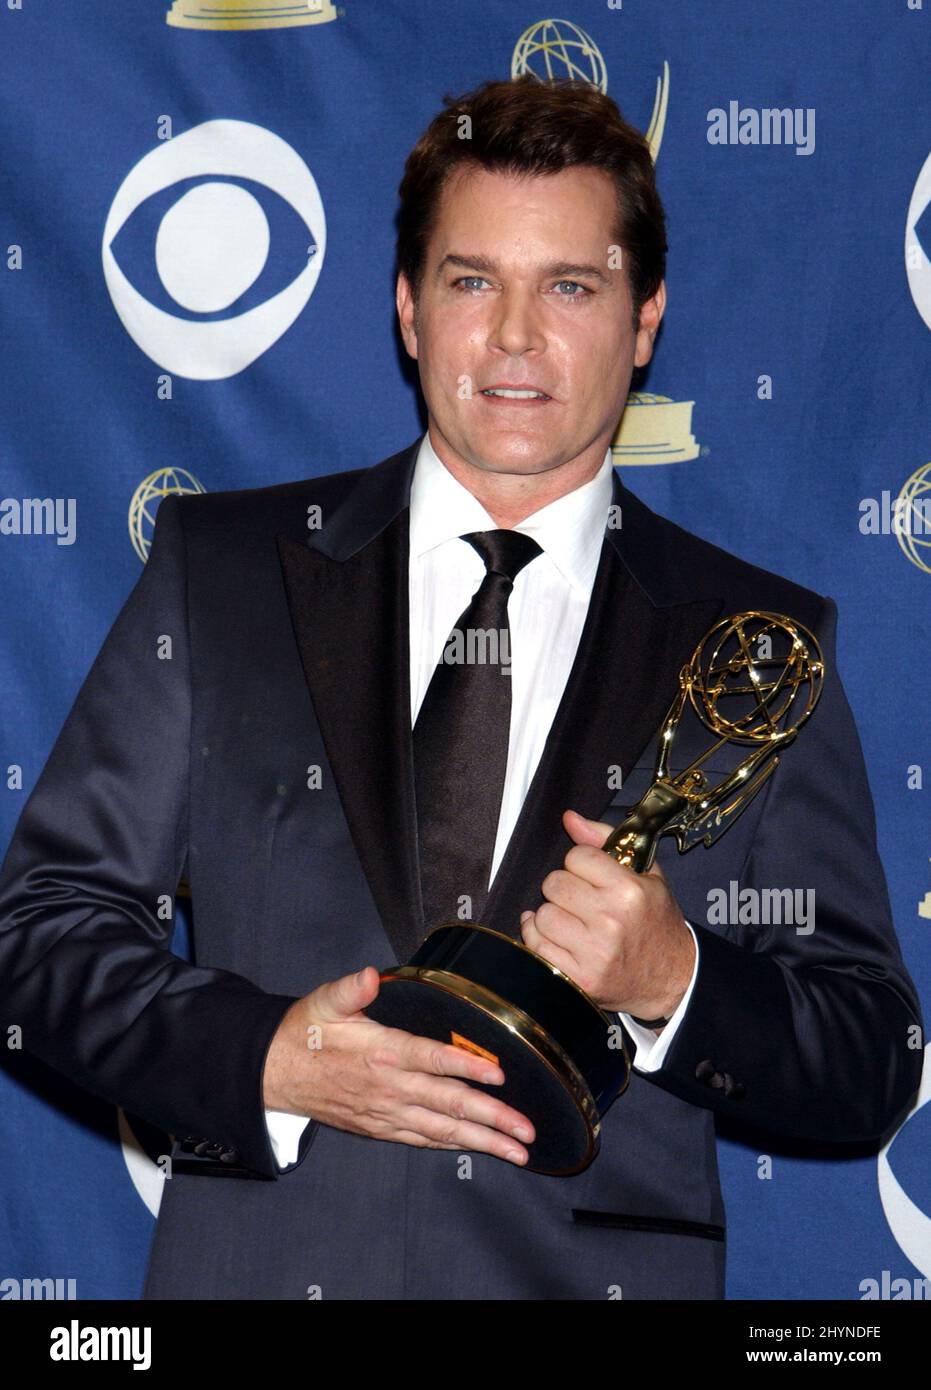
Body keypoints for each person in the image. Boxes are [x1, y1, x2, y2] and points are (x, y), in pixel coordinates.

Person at [0, 75, 922, 1301]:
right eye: (472, 280)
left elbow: (870, 1054)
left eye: (572, 288)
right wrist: (268, 1057)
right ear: (408, 308)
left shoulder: (755, 646)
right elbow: (40, 932)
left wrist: (674, 981)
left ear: (645, 319)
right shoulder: (220, 577)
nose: (515, 339)